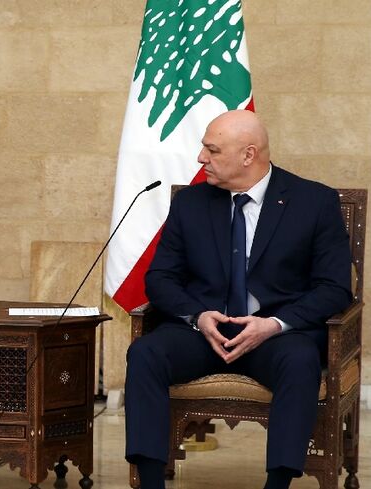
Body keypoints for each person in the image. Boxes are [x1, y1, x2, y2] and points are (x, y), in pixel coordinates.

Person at [124, 110, 353, 489]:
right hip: (204, 333)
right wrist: (198, 316)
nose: (201, 158)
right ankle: (150, 482)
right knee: (146, 353)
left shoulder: (314, 202)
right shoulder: (191, 203)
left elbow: (334, 287)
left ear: (249, 155)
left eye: (212, 150)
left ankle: (277, 483)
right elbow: (160, 278)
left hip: (275, 335)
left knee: (300, 360)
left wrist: (273, 325)